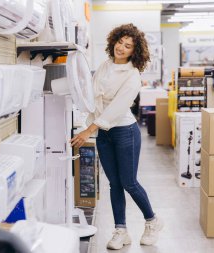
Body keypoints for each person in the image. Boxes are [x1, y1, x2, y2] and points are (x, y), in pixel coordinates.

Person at [70, 23, 163, 250]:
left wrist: (88, 130)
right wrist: (83, 121)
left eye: (128, 45)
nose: (121, 47)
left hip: (124, 132)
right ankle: (121, 231)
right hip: (104, 133)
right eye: (120, 42)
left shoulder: (132, 76)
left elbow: (116, 109)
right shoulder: (105, 66)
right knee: (114, 185)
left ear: (135, 51)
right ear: (114, 41)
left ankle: (152, 221)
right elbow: (94, 98)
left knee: (129, 183)